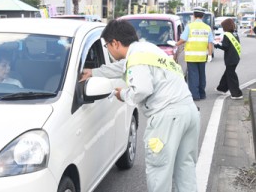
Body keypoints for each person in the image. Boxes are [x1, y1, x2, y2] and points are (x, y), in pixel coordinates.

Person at [80, 19, 200, 192]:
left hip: (167, 118)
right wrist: (94, 72)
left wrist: (122, 94)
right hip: (189, 113)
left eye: (107, 46)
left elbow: (142, 90)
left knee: (159, 172)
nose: (108, 50)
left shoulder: (136, 58)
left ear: (115, 43)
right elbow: (123, 67)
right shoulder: (148, 49)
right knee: (185, 170)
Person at [175, 7, 214, 101]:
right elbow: (210, 43)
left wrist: (175, 44)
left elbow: (183, 39)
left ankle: (195, 95)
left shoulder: (189, 26)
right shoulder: (207, 28)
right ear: (203, 16)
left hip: (191, 56)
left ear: (194, 15)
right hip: (202, 57)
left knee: (193, 76)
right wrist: (209, 55)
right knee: (202, 75)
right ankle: (202, 94)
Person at [214, 18, 243, 99]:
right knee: (228, 73)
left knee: (231, 76)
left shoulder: (227, 35)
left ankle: (237, 94)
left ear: (226, 26)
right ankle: (221, 88)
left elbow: (225, 47)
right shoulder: (235, 34)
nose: (222, 28)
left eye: (223, 26)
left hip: (230, 59)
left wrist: (216, 45)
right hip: (235, 58)